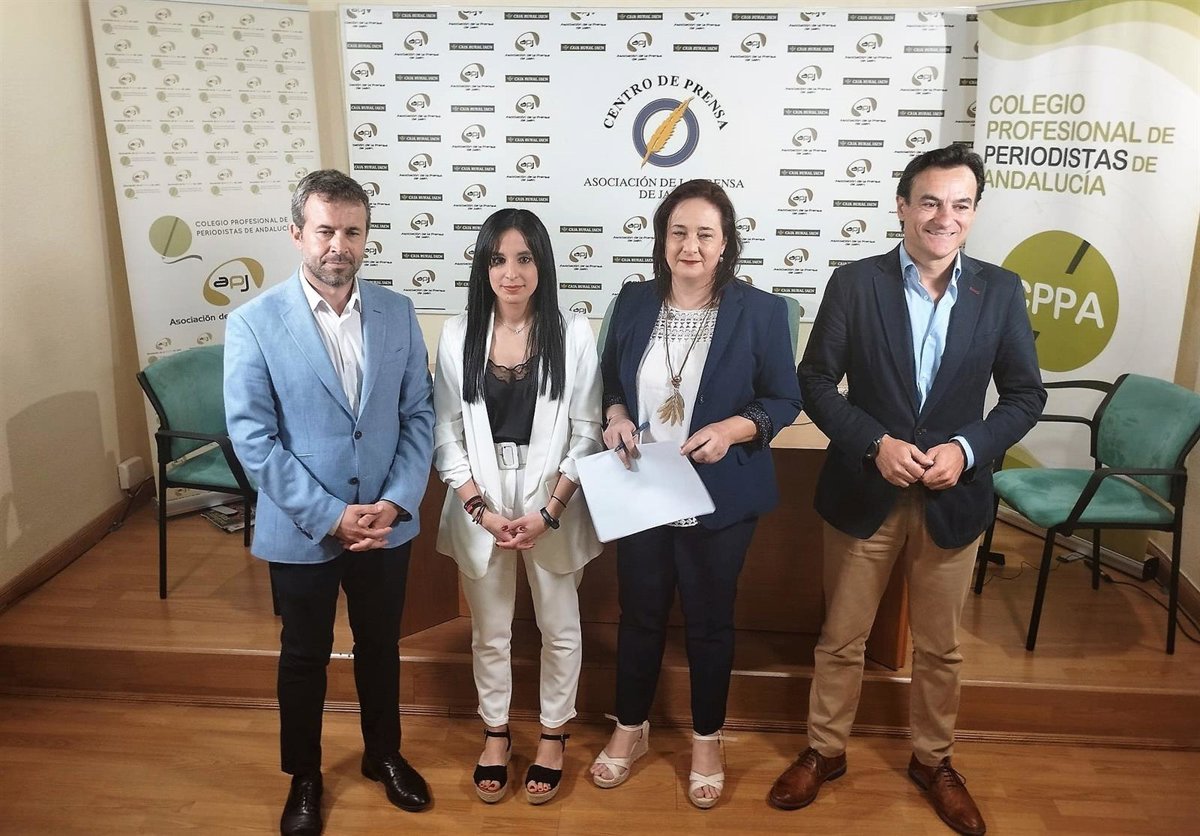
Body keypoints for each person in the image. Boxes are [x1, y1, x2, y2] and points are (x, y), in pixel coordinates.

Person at [768, 144, 1045, 836]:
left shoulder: (1000, 291)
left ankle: (933, 761)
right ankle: (825, 750)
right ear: (902, 206)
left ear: (974, 212)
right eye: (930, 202)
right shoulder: (854, 283)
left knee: (941, 647)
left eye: (960, 204)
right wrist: (874, 443)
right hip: (866, 490)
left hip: (954, 497)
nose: (944, 217)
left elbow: (1024, 395)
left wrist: (967, 448)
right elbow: (815, 381)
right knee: (842, 637)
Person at [224, 169, 434, 836]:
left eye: (351, 231)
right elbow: (253, 438)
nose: (338, 245)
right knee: (304, 655)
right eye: (324, 231)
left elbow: (418, 415)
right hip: (302, 528)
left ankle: (383, 754)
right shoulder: (254, 323)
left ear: (366, 236)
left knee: (380, 647)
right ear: (297, 234)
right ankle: (305, 775)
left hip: (384, 526)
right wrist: (328, 515)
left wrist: (396, 501)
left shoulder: (398, 312)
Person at [589, 179, 802, 808]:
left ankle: (707, 738)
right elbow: (609, 380)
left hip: (718, 495)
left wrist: (732, 430)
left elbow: (783, 400)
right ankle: (631, 727)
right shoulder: (632, 302)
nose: (691, 245)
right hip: (642, 489)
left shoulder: (762, 312)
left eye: (705, 234)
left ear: (725, 242)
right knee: (639, 616)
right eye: (678, 232)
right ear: (662, 239)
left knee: (710, 624)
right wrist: (615, 416)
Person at [432, 208, 603, 805]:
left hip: (553, 499)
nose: (511, 272)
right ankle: (496, 733)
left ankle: (554, 735)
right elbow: (446, 432)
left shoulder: (573, 333)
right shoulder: (457, 335)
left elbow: (587, 432)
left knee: (560, 627)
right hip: (481, 500)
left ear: (542, 265)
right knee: (491, 631)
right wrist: (478, 508)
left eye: (524, 258)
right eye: (498, 259)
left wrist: (549, 512)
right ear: (483, 267)